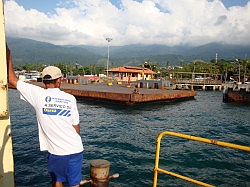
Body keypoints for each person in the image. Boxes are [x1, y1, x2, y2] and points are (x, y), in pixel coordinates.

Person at [6, 45, 84, 187]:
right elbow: (76, 128)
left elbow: (11, 79)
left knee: (57, 181)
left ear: (43, 80)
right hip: (76, 148)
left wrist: (8, 53)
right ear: (59, 80)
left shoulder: (38, 94)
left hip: (57, 151)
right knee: (75, 184)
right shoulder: (71, 98)